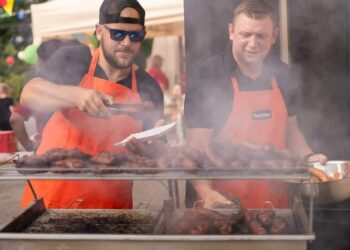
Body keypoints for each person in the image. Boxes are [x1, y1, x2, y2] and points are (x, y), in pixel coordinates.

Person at [20, 0, 164, 209]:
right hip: (51, 204)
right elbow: (28, 93)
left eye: (135, 35)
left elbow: (155, 145)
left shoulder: (148, 86)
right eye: (117, 34)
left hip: (112, 212)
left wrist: (156, 144)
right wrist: (76, 95)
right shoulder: (73, 59)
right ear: (99, 31)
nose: (126, 42)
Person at [184, 0, 327, 209]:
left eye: (260, 36)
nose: (253, 44)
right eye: (245, 34)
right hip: (221, 205)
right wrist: (207, 193)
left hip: (275, 206)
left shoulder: (283, 74)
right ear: (231, 31)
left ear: (274, 36)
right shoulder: (208, 77)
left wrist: (310, 158)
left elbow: (292, 133)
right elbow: (196, 149)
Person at [10, 39, 66, 151]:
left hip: (47, 150)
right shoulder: (80, 79)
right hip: (78, 152)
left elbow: (15, 119)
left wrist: (29, 146)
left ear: (41, 61)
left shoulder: (37, 87)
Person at [0, 83, 16, 152]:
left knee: (2, 135)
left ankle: (2, 149)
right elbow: (12, 110)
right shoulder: (9, 99)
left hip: (0, 120)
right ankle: (12, 148)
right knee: (11, 135)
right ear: (7, 90)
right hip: (8, 119)